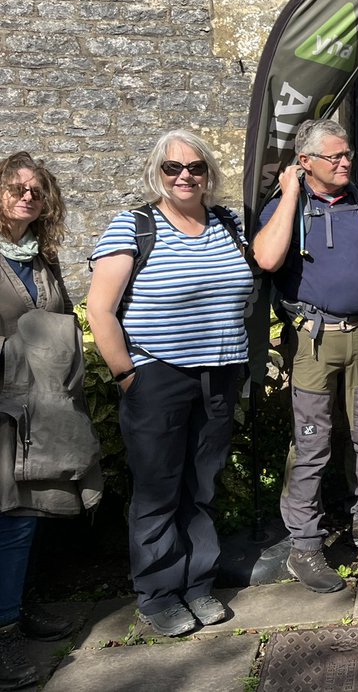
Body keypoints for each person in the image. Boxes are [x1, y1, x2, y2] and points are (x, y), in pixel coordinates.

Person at [87, 130, 255, 635]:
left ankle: (197, 585)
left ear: (209, 174)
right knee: (158, 489)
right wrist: (127, 377)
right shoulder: (133, 226)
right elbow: (100, 310)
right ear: (157, 173)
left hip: (220, 376)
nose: (185, 176)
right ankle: (159, 595)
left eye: (196, 167)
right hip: (157, 378)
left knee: (201, 486)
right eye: (172, 168)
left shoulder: (226, 223)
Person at [254, 118, 358, 594]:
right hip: (313, 340)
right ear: (305, 162)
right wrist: (292, 195)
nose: (345, 162)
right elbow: (266, 259)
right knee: (312, 442)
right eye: (334, 156)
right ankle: (305, 545)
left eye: (348, 155)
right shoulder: (285, 208)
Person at [1, 153, 94, 685]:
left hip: (43, 408)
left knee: (32, 510)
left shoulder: (42, 258)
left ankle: (19, 606)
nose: (26, 195)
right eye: (15, 187)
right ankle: (4, 635)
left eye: (36, 190)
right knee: (9, 519)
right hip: (1, 406)